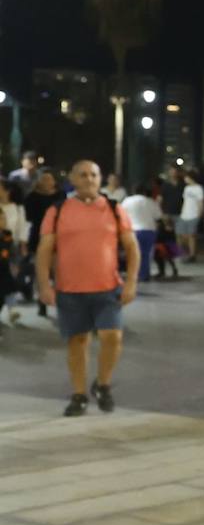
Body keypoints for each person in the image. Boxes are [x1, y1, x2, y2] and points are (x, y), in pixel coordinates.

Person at [35, 160, 140, 416]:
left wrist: (132, 282)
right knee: (77, 342)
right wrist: (44, 285)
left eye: (93, 174)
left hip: (107, 288)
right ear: (72, 179)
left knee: (112, 337)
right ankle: (79, 394)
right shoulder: (58, 210)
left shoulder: (114, 209)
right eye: (82, 175)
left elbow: (132, 247)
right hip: (70, 289)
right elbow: (44, 250)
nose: (89, 179)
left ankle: (102, 384)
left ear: (100, 178)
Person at [22, 170, 62, 315]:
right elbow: (27, 217)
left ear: (54, 181)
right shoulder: (32, 197)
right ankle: (42, 301)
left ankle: (60, 300)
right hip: (38, 235)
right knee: (41, 271)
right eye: (43, 179)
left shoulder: (60, 195)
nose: (46, 182)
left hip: (58, 236)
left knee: (58, 270)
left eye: (49, 179)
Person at [121, 184, 161, 283]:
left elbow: (121, 214)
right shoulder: (151, 202)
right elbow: (158, 216)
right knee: (146, 254)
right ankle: (144, 275)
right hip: (149, 231)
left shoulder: (127, 201)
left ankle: (134, 274)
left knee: (133, 254)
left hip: (133, 230)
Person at [176, 169, 204, 263]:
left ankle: (192, 255)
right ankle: (181, 253)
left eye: (186, 177)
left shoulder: (199, 188)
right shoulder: (186, 188)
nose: (185, 179)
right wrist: (182, 212)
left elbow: (201, 202)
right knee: (180, 234)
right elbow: (185, 201)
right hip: (184, 214)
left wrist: (199, 215)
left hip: (194, 215)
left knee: (191, 236)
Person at [0, 204, 22, 327]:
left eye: (4, 219)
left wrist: (15, 263)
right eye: (1, 219)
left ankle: (12, 310)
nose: (4, 221)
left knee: (10, 289)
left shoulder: (7, 234)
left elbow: (13, 251)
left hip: (4, 268)